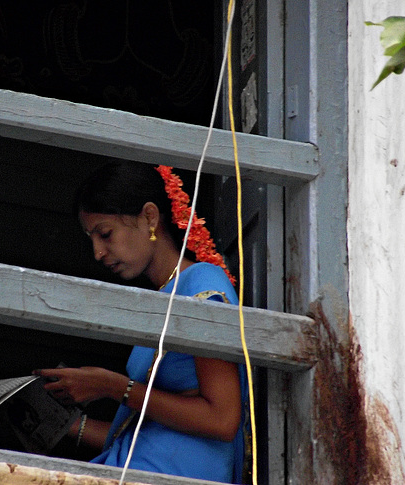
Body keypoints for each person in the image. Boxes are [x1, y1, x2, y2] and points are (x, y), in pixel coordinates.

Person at [36, 162, 249, 483]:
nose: (97, 252)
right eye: (91, 238)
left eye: (105, 234)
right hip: (146, 464)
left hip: (179, 473)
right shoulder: (166, 294)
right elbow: (146, 429)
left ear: (150, 217)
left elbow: (221, 420)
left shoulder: (202, 283)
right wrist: (63, 423)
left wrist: (111, 386)